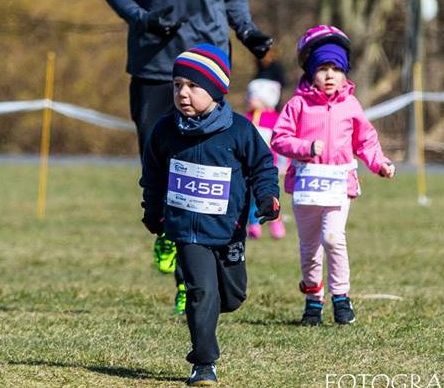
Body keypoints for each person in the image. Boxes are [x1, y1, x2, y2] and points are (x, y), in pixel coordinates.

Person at [106, 0, 275, 313]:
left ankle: (190, 281)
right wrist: (143, 19)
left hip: (208, 67)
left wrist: (249, 32)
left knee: (204, 174)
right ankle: (164, 231)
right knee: (158, 161)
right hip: (153, 65)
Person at [140, 44, 279, 386]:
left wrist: (267, 197)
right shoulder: (164, 131)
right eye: (177, 86)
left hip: (228, 230)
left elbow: (263, 166)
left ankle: (209, 311)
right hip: (186, 230)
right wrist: (154, 212)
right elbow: (154, 175)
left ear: (216, 91)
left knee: (231, 297)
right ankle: (204, 363)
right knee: (201, 292)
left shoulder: (239, 130)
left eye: (192, 86)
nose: (183, 93)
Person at [271, 25, 395, 326]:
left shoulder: (350, 105)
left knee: (333, 237)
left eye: (336, 69)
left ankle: (341, 298)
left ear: (345, 74)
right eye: (323, 68)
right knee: (309, 248)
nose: (330, 76)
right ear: (311, 71)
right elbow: (279, 139)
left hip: (338, 184)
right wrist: (306, 147)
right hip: (306, 186)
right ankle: (313, 300)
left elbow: (365, 140)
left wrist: (379, 163)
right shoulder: (297, 105)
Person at [244, 78, 286, 240]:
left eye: (253, 96)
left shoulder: (275, 119)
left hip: (270, 166)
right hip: (249, 165)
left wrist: (283, 162)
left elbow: (280, 142)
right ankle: (254, 224)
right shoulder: (246, 119)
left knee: (270, 194)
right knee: (252, 196)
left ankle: (276, 221)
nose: (249, 99)